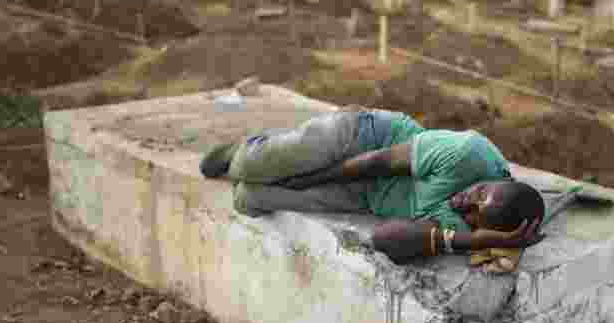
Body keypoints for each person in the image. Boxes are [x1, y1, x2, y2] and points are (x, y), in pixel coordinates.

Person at [200, 106, 545, 264]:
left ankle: (271, 158)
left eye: (472, 215)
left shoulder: (473, 230)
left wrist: (473, 241)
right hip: (363, 140)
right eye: (479, 192)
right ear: (494, 179)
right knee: (249, 166)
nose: (464, 203)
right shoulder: (469, 153)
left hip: (363, 196)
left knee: (249, 197)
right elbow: (378, 162)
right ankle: (244, 150)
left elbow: (384, 239)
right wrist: (309, 179)